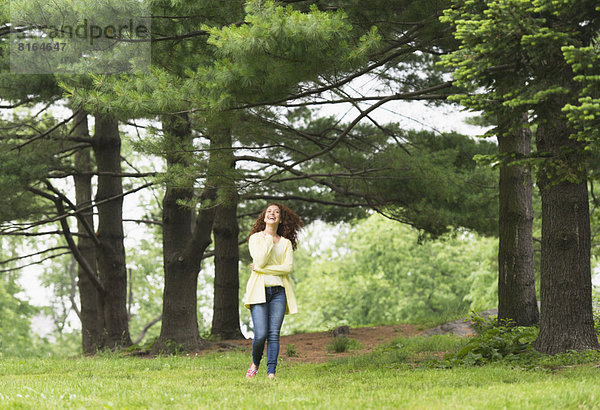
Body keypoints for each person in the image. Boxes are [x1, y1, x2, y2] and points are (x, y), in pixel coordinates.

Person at [243, 203, 302, 379]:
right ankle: (255, 362)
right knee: (260, 334)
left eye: (276, 212)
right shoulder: (255, 238)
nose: (272, 214)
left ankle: (271, 373)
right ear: (264, 217)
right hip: (258, 290)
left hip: (279, 292)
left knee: (274, 334)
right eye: (269, 211)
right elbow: (259, 260)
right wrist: (268, 238)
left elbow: (287, 269)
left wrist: (263, 270)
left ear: (281, 219)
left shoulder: (285, 243)